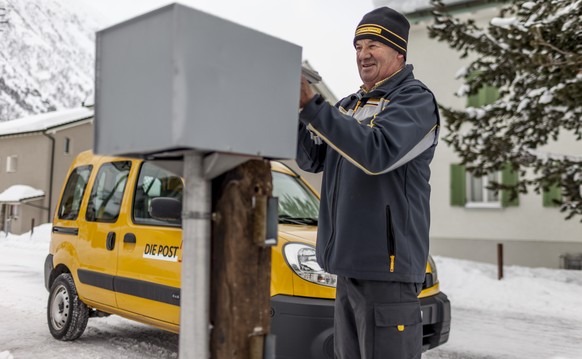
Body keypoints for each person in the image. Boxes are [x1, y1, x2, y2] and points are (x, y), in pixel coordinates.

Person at [297, 6, 440, 359]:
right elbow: (310, 159)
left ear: (398, 52)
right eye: (358, 46)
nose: (363, 54)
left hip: (387, 273)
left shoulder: (415, 102)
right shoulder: (348, 105)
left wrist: (314, 107)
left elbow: (378, 153)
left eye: (373, 44)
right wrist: (297, 112)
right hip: (347, 269)